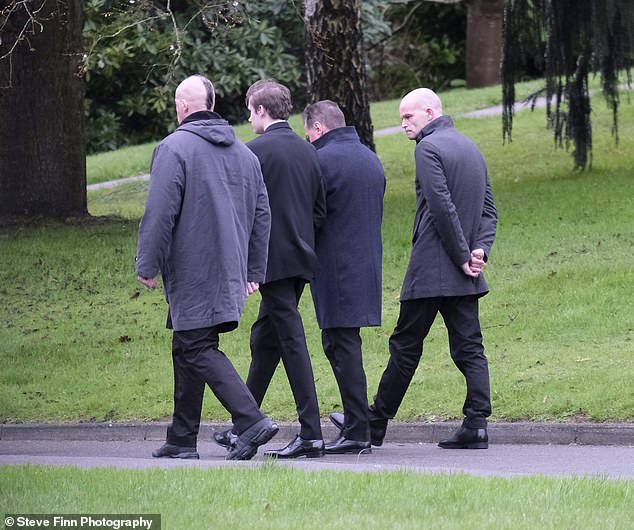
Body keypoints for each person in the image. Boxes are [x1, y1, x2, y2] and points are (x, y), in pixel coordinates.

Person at [135, 74, 279, 461]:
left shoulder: (174, 147)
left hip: (193, 269)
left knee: (198, 347)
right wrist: (254, 270)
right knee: (186, 346)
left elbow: (160, 210)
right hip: (231, 269)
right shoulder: (245, 154)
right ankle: (182, 438)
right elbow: (263, 214)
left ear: (182, 107)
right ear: (211, 106)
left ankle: (251, 421)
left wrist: (147, 262)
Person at [353, 87, 498, 449]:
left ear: (430, 113)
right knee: (469, 347)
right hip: (463, 270)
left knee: (405, 345)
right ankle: (477, 423)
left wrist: (466, 254)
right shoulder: (470, 147)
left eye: (408, 116)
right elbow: (488, 212)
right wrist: (478, 251)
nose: (402, 123)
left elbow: (440, 206)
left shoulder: (428, 149)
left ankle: (375, 422)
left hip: (434, 269)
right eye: (401, 117)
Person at [214, 80, 326, 459]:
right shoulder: (308, 150)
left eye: (249, 110)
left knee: (292, 343)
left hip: (270, 262)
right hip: (300, 259)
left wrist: (247, 264)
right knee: (265, 341)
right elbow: (319, 210)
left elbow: (243, 213)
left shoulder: (253, 152)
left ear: (262, 111)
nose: (248, 117)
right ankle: (243, 424)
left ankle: (311, 434)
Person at [302, 100, 386, 454]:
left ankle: (357, 428)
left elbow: (312, 214)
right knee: (342, 343)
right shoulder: (369, 157)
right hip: (366, 261)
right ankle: (357, 421)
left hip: (335, 265)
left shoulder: (320, 161)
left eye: (308, 134)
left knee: (342, 346)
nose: (308, 140)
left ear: (318, 128)